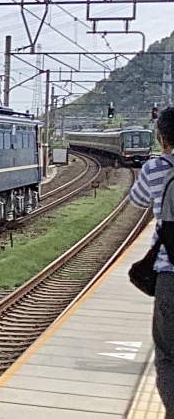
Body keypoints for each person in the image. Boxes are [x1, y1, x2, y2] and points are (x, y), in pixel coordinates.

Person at [130, 106, 174, 417]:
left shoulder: (155, 169)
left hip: (169, 272)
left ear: (161, 139)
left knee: (168, 354)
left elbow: (136, 200)